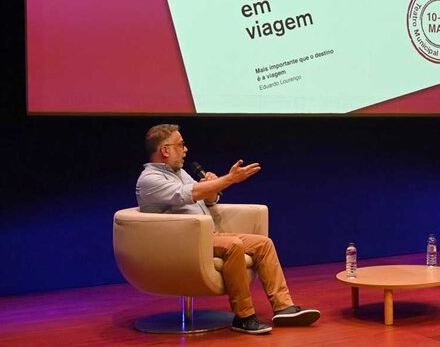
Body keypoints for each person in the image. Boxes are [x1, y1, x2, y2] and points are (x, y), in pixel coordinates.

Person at [136, 124, 320, 334]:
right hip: (181, 242)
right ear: (165, 150)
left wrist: (212, 187)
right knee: (233, 245)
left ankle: (284, 307)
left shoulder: (180, 173)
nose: (185, 149)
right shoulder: (150, 179)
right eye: (181, 144)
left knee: (263, 244)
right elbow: (190, 194)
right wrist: (229, 179)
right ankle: (244, 316)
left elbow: (205, 198)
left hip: (205, 235)